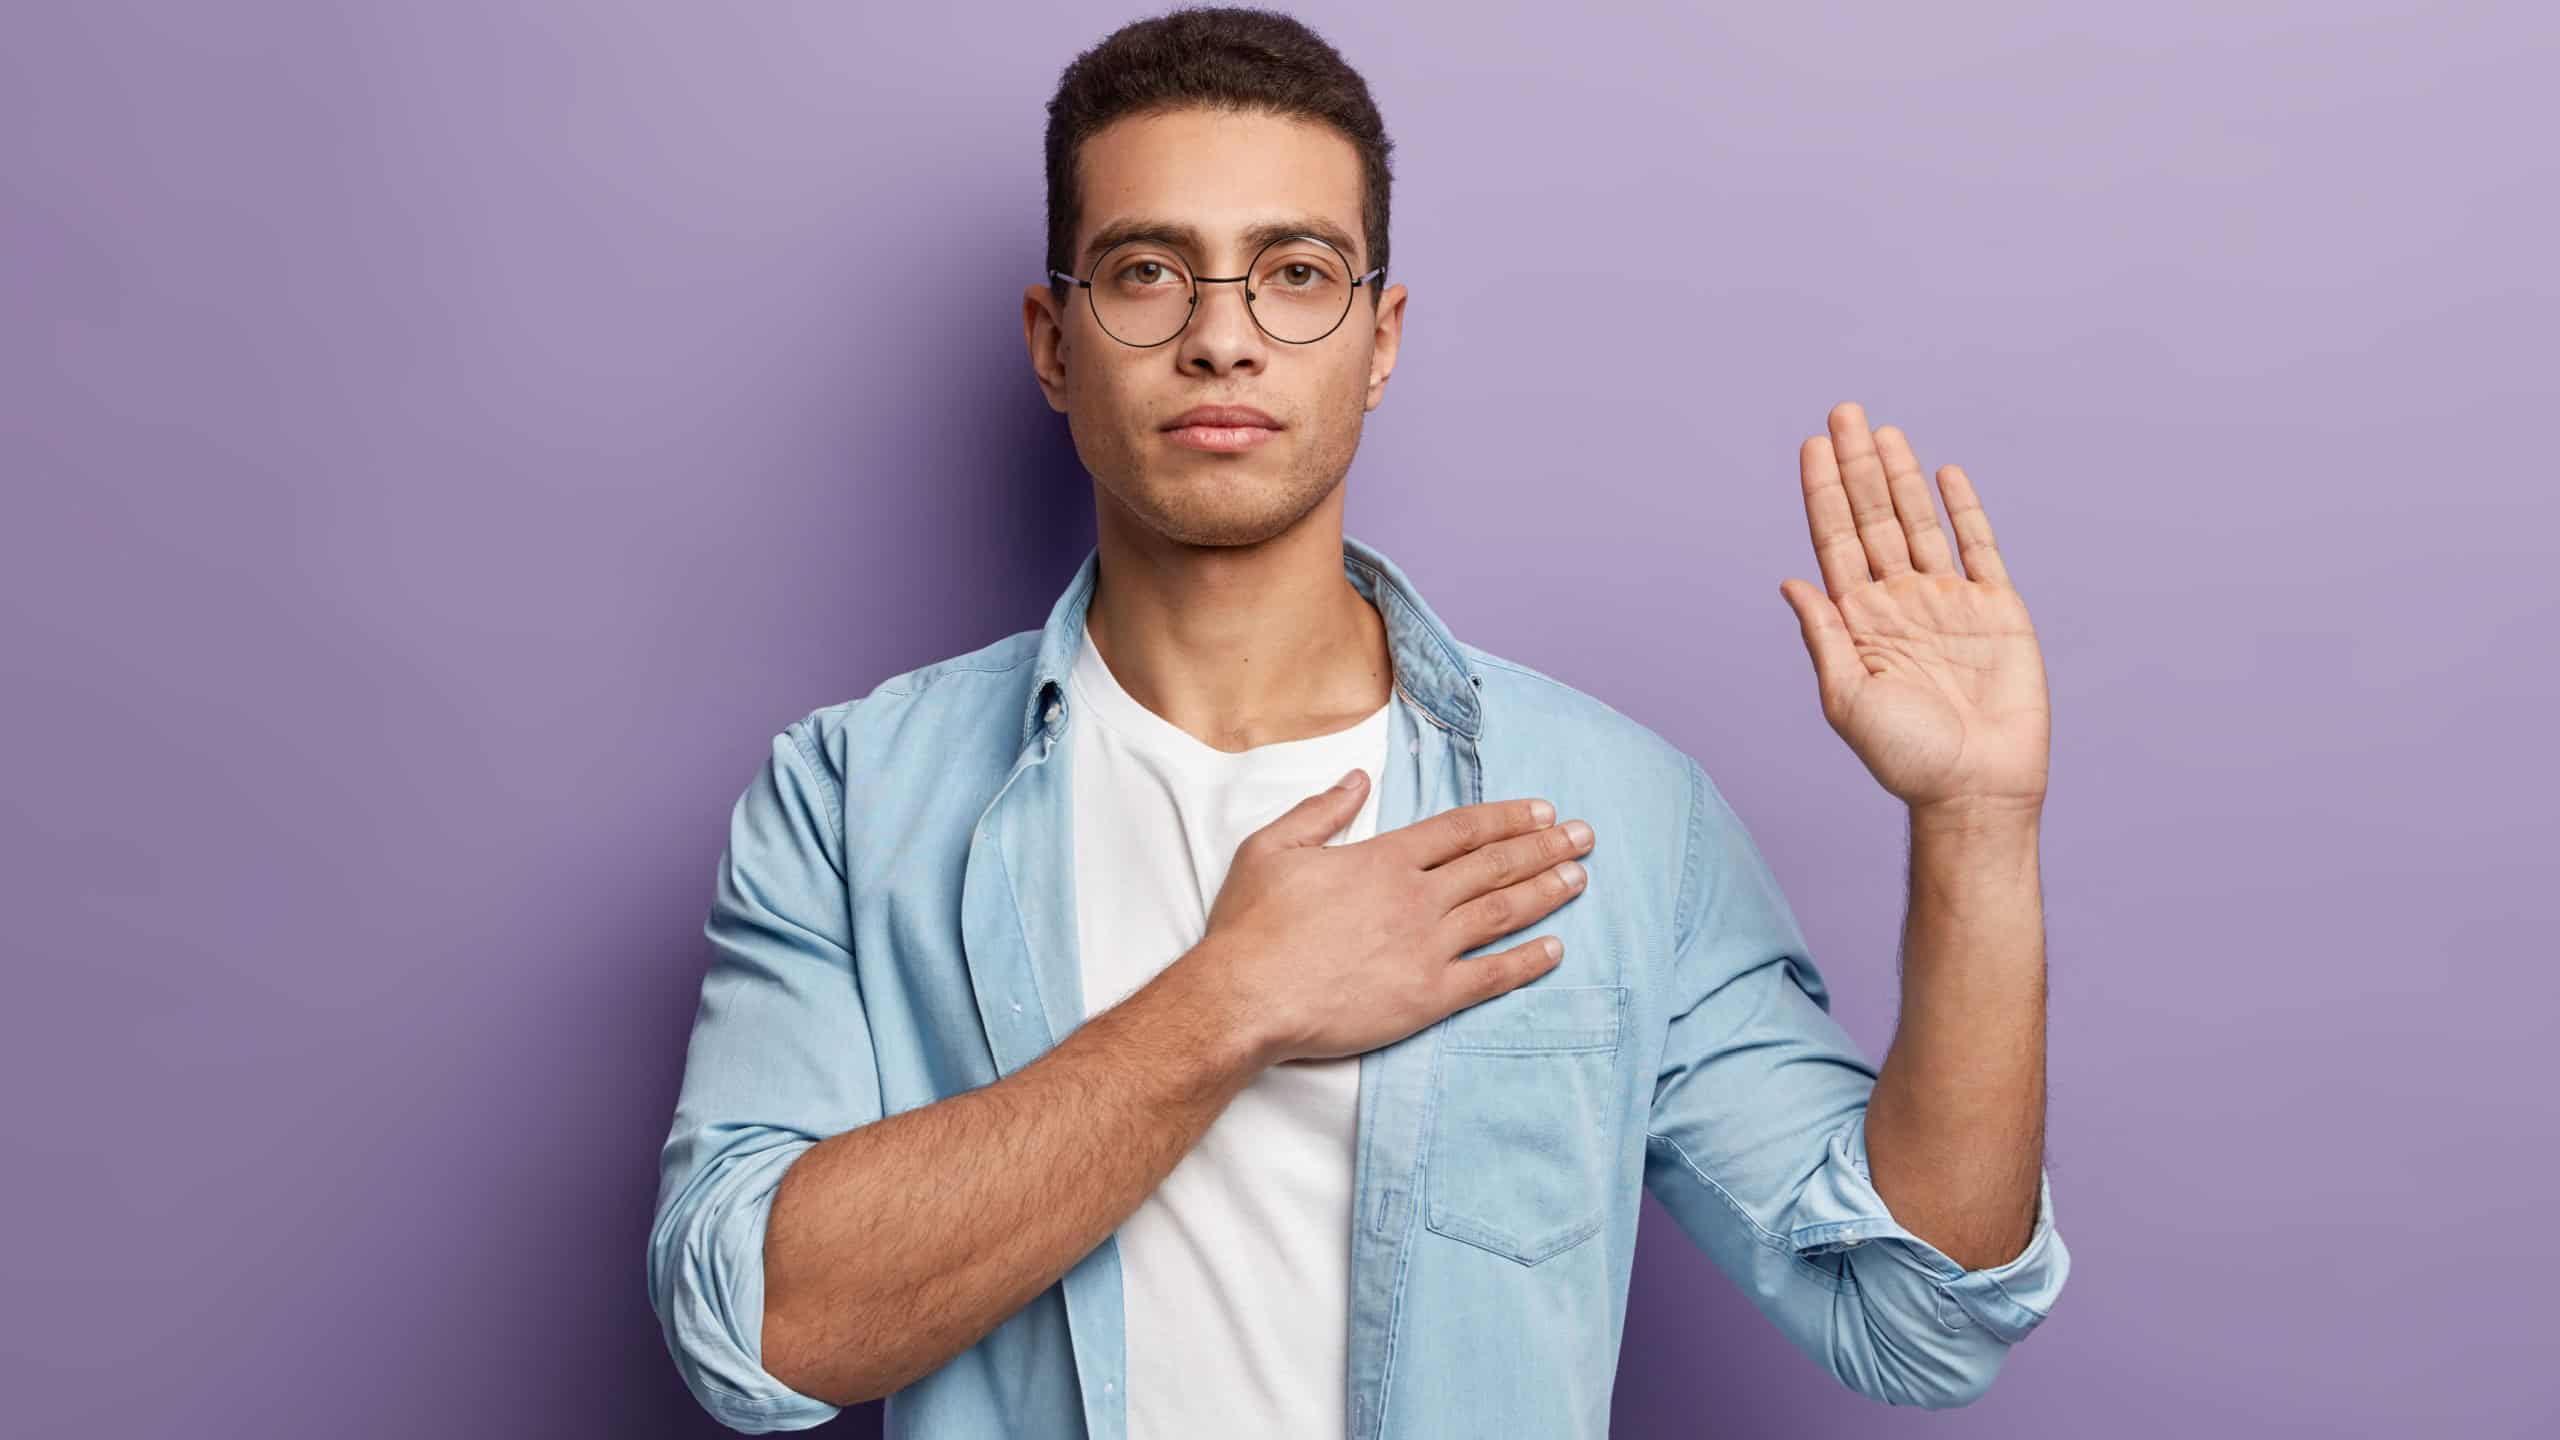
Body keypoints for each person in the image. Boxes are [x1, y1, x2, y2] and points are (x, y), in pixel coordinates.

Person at [647, 7, 2069, 1436]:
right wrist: (1234, 1000)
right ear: (1053, 341)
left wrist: (1977, 831)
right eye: (1148, 273)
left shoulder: (1616, 813)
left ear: (1379, 340)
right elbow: (760, 1331)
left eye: (1295, 274)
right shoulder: (851, 797)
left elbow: (1920, 1314)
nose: (1221, 338)